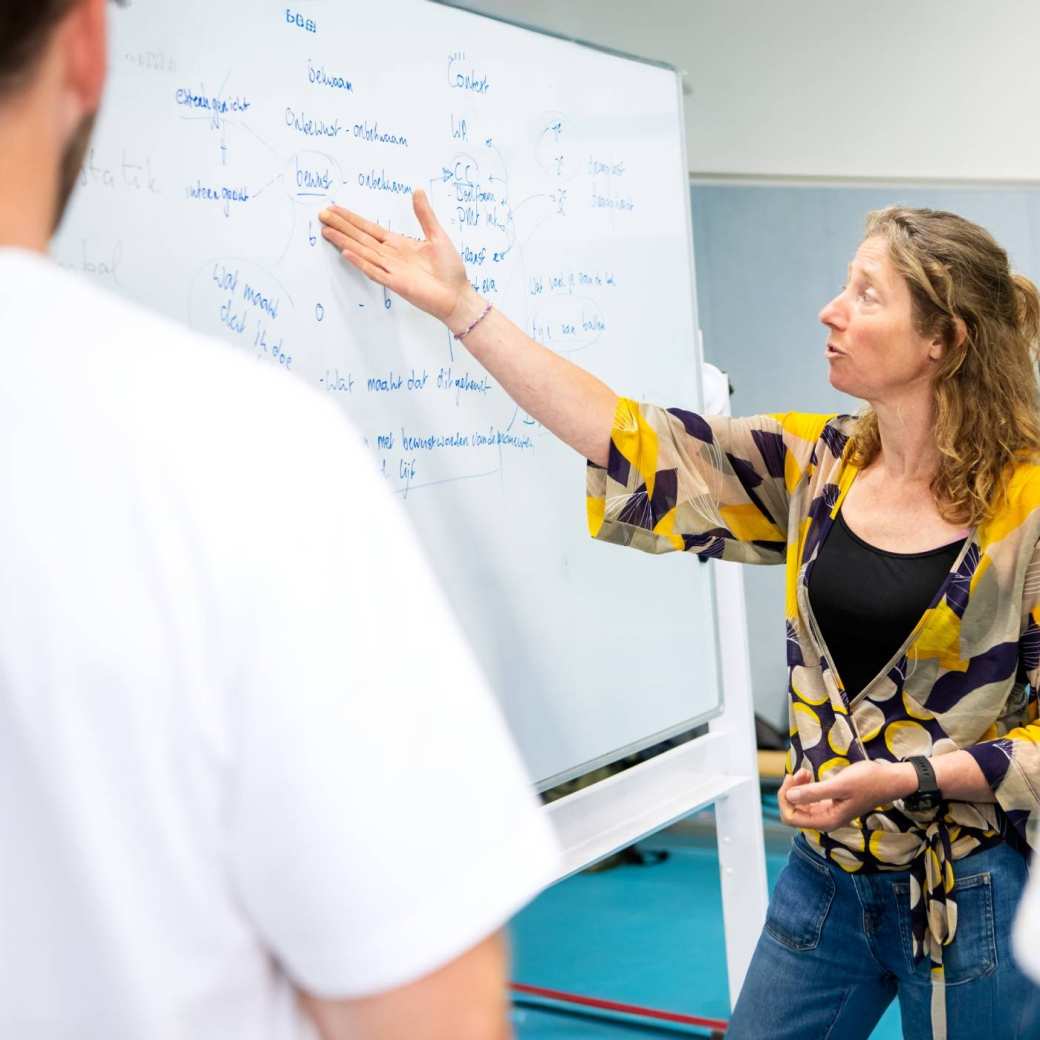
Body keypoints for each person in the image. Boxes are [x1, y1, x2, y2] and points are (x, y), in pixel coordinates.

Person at [320, 192, 1040, 1038]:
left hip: (971, 898)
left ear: (943, 341)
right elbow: (627, 437)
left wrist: (912, 777)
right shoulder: (821, 465)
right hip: (826, 882)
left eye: (867, 295)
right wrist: (463, 308)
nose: (831, 310)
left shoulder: (1025, 509)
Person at [0, 3, 560, 1038]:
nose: (831, 313)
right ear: (87, 46)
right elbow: (426, 1010)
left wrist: (465, 311)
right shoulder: (229, 446)